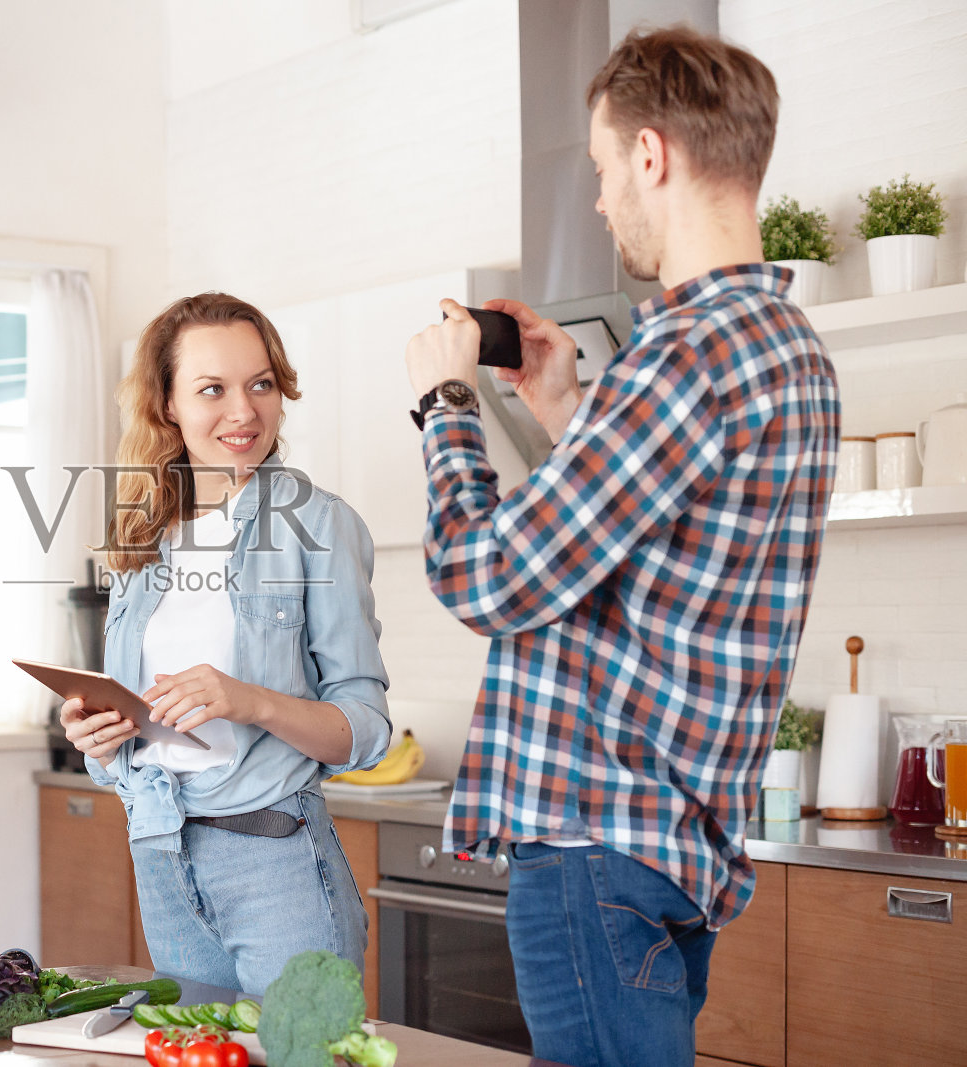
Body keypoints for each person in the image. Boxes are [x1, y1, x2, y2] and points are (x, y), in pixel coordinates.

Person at [402, 26, 840, 1067]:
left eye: (602, 170)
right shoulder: (786, 351)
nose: (599, 201)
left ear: (651, 155)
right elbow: (660, 552)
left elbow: (490, 577)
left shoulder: (680, 356)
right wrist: (564, 411)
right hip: (671, 846)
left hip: (596, 842)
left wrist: (444, 405)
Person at [59, 292, 392, 995]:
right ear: (169, 404)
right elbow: (129, 748)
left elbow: (364, 729)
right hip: (161, 851)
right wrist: (99, 733)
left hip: (276, 860)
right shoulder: (142, 534)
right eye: (213, 388)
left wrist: (250, 701)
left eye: (261, 384)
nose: (244, 412)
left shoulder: (320, 524)